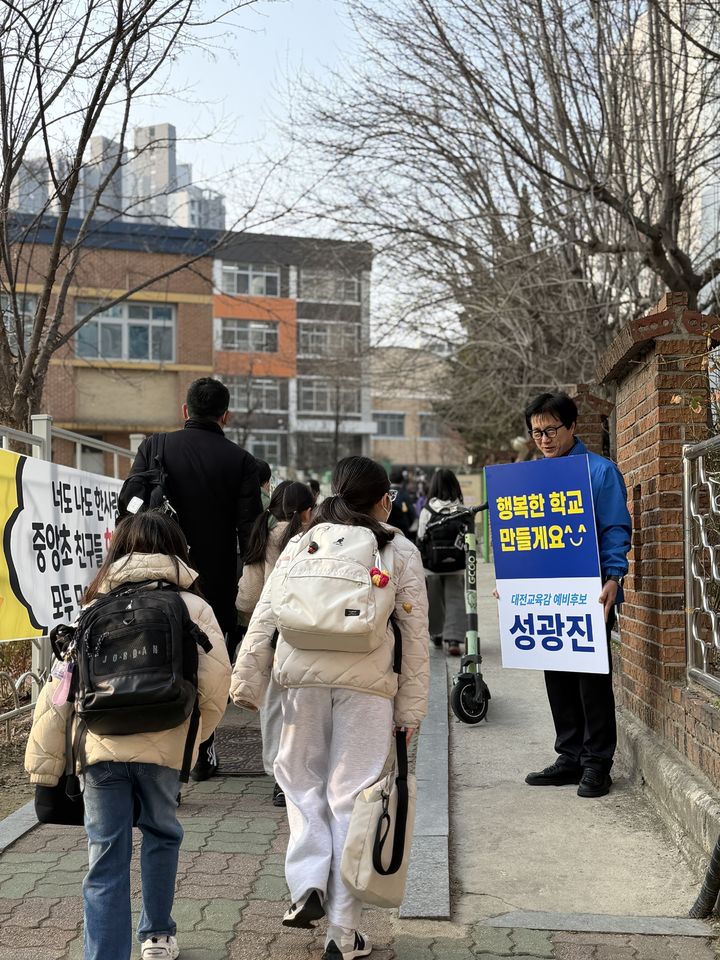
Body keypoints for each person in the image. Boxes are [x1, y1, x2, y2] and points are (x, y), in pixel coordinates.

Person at [231, 456, 430, 960]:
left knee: (299, 783)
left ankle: (306, 883)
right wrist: (410, 713)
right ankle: (342, 934)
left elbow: (265, 617)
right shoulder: (397, 548)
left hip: (301, 684)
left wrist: (247, 680)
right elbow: (415, 638)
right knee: (354, 797)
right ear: (384, 499)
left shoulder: (302, 542)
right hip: (368, 687)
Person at [24, 510, 231, 960]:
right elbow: (218, 687)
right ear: (178, 550)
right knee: (161, 833)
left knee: (105, 855)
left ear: (118, 550)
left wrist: (49, 762)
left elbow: (62, 689)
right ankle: (156, 936)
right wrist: (191, 742)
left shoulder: (93, 605)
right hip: (164, 743)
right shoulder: (192, 606)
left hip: (100, 745)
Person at [128, 377, 262, 780]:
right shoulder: (242, 461)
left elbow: (128, 504)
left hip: (156, 572)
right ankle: (202, 749)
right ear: (226, 416)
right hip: (213, 581)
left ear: (185, 411)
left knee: (156, 656)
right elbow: (250, 531)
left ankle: (158, 756)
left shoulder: (154, 447)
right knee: (208, 664)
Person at [522, 392, 631, 799]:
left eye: (551, 429)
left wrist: (614, 577)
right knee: (557, 675)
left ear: (571, 427)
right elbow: (525, 537)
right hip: (547, 593)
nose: (545, 439)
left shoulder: (600, 472)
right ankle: (569, 756)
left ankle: (597, 763)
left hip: (591, 592)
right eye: (537, 432)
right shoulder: (532, 479)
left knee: (591, 679)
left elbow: (615, 529)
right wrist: (514, 581)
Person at [236, 480, 315, 806]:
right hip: (307, 633)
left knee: (271, 706)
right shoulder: (313, 540)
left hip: (271, 634)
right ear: (309, 509)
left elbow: (247, 597)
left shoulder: (262, 537)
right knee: (303, 705)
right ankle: (303, 769)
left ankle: (277, 776)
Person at [417, 468, 467, 657]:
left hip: (433, 565)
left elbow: (421, 536)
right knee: (455, 599)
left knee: (434, 600)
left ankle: (437, 633)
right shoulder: (461, 509)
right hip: (457, 564)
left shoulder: (428, 510)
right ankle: (453, 639)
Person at [388, 466, 415, 540]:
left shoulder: (385, 493)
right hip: (402, 527)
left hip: (387, 526)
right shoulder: (404, 494)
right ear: (402, 482)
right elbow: (411, 512)